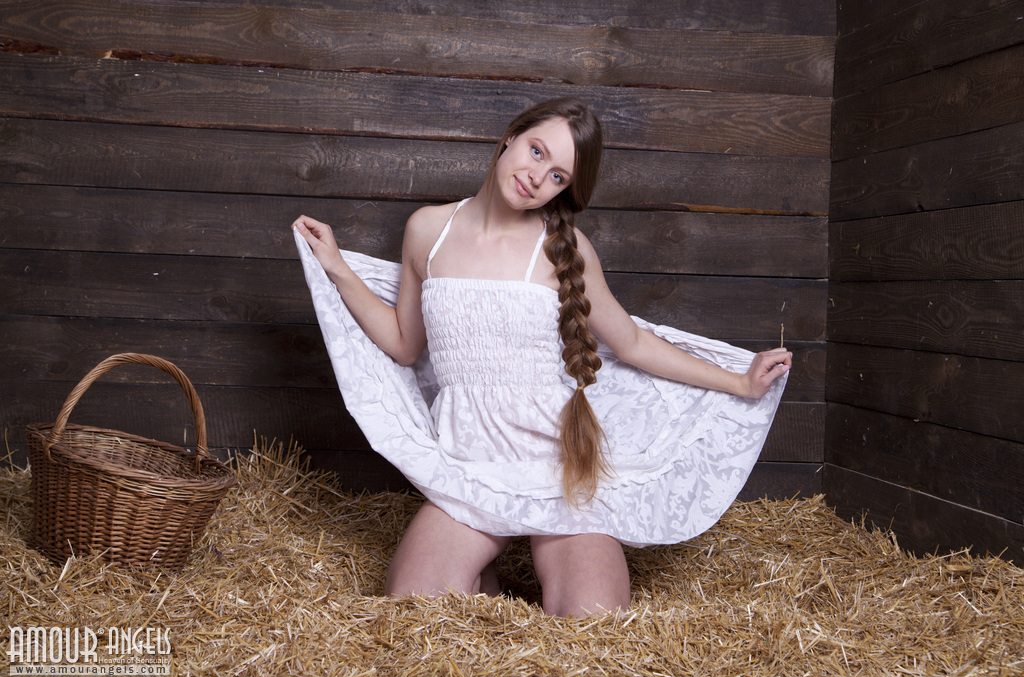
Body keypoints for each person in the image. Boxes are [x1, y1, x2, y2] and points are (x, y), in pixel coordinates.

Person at [292, 97, 792, 617]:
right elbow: (403, 344)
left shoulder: (564, 248)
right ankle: (483, 578)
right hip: (468, 468)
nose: (537, 178)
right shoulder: (427, 230)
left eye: (557, 176)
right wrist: (337, 268)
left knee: (593, 625)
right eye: (536, 151)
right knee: (416, 612)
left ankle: (511, 576)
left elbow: (633, 343)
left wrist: (739, 382)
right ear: (511, 136)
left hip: (560, 470)